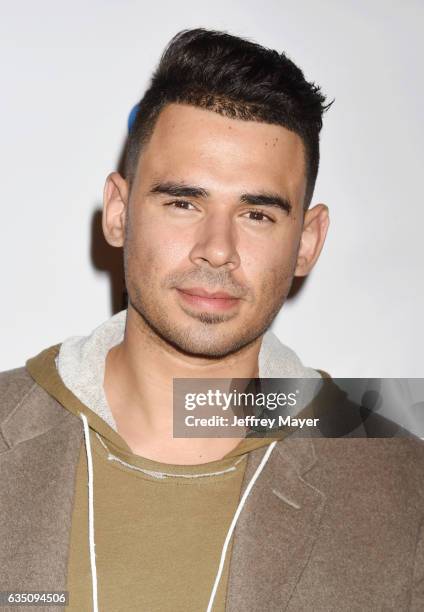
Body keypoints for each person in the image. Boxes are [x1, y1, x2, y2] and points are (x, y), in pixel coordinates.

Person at [1, 28, 423, 612]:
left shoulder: (403, 484)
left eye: (256, 213)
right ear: (120, 213)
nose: (216, 249)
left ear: (308, 241)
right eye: (183, 202)